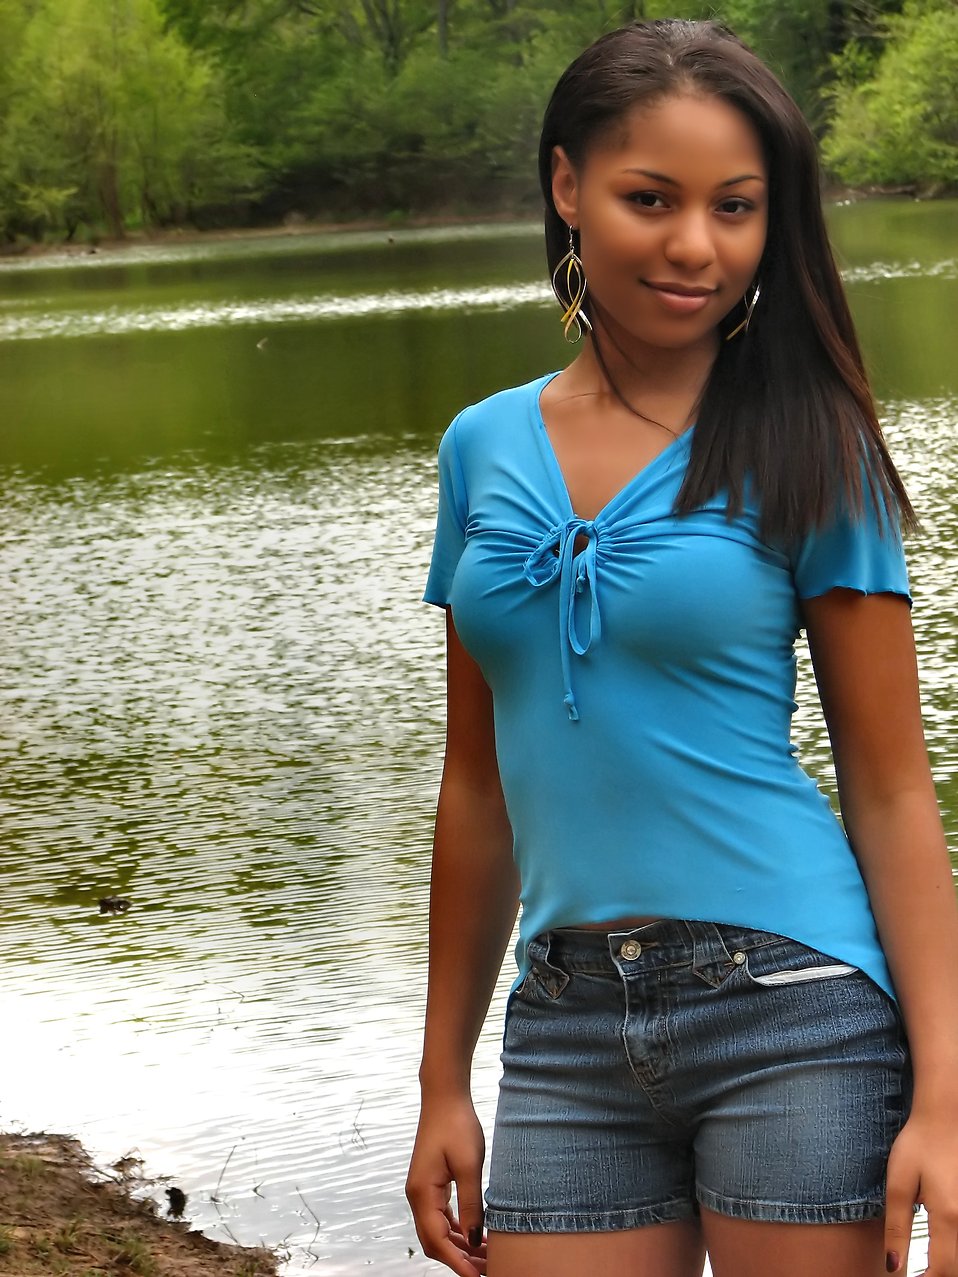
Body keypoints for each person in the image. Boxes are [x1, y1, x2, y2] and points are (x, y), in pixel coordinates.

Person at [405, 18, 958, 1277]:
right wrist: (442, 1079)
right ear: (566, 187)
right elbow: (474, 786)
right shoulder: (480, 447)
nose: (693, 244)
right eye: (648, 198)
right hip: (563, 1021)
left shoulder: (811, 441)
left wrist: (948, 1097)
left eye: (735, 207)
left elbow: (888, 784)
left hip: (792, 1007)